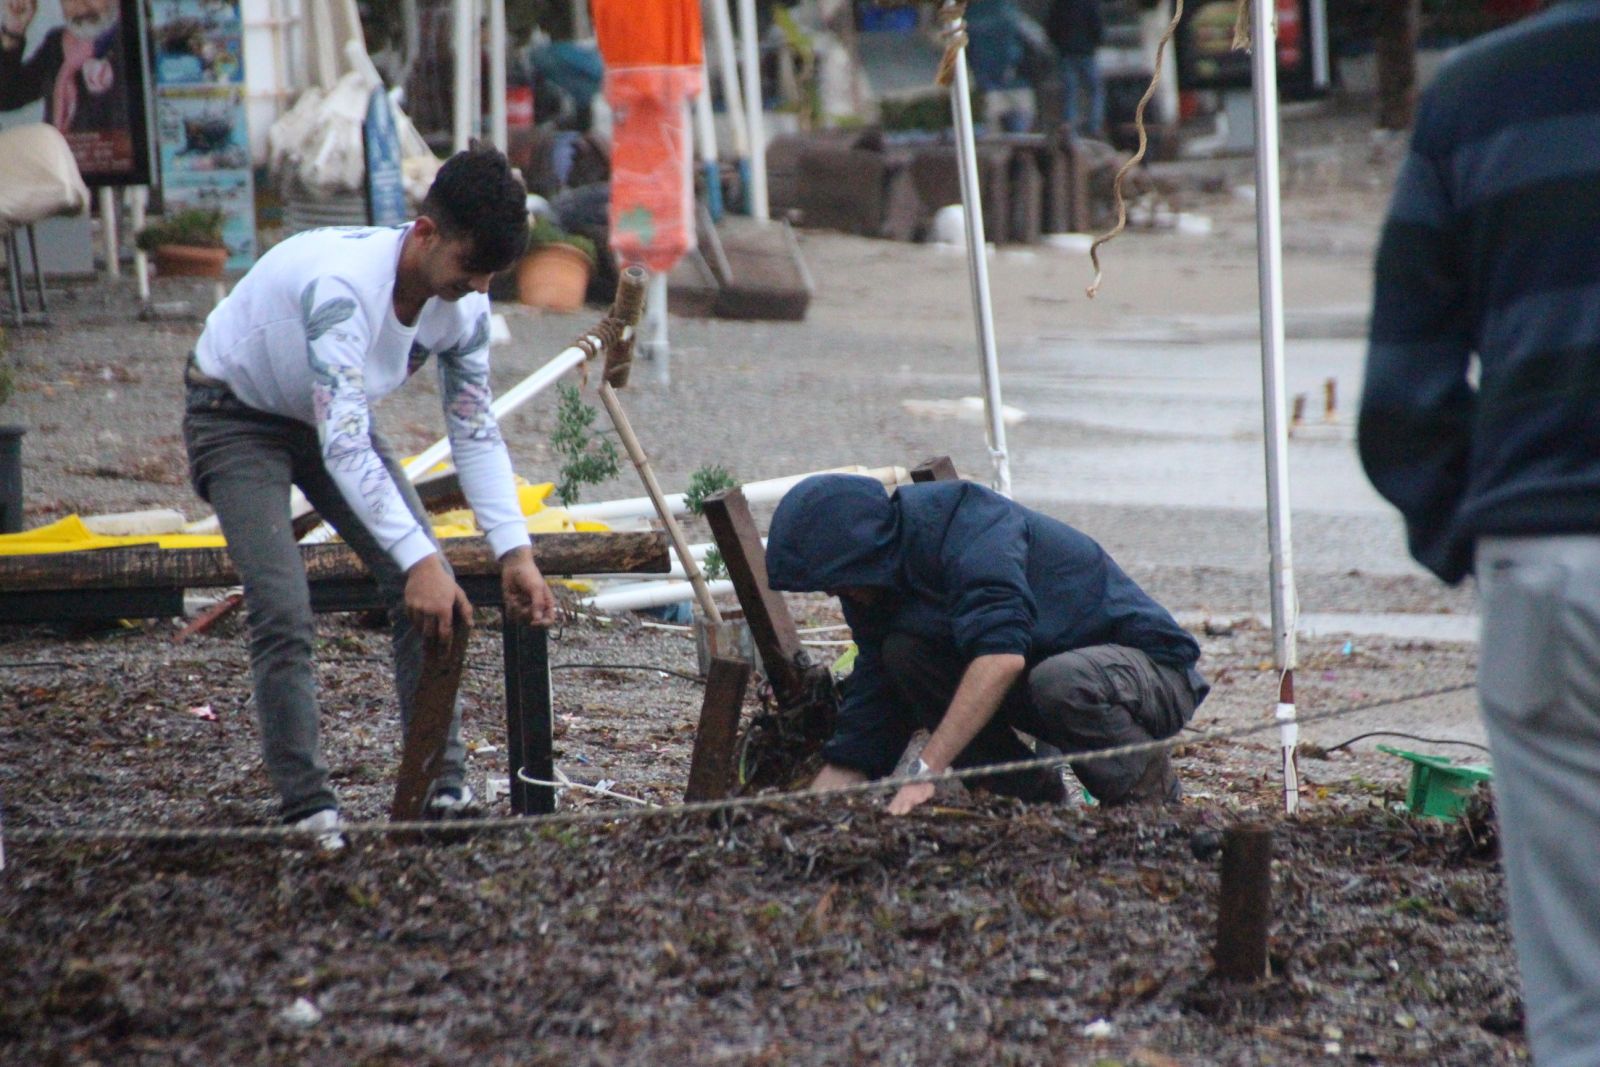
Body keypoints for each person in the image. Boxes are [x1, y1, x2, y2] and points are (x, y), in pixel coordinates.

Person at [182, 145, 557, 849]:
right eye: (467, 269)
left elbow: (474, 429)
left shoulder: (464, 304)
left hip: (329, 418)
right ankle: (307, 807)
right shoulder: (341, 287)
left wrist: (514, 549)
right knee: (283, 603)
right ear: (425, 233)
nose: (476, 290)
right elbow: (347, 444)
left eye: (489, 278)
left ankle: (438, 788)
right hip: (234, 413)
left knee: (432, 585)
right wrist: (419, 560)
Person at [1357, 6, 1600, 1063]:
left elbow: (1402, 398)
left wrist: (1479, 540)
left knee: (1577, 1003)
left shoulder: (1478, 94)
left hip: (1547, 563)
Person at [765, 474, 1207, 815]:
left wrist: (926, 771)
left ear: (863, 553)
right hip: (1044, 686)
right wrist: (812, 806)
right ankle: (1031, 804)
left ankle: (1151, 807)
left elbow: (1000, 659)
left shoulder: (973, 529)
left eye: (835, 581)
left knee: (1061, 680)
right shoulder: (875, 586)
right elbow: (874, 700)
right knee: (902, 654)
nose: (831, 594)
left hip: (1151, 677)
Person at [0, 0, 129, 135]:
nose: (80, 4)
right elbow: (6, 97)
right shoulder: (57, 44)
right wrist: (13, 29)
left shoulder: (136, 43)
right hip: (63, 154)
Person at [1046, 0, 1104, 138]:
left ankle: (1070, 130)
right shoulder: (1089, 3)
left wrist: (1059, 46)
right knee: (1095, 90)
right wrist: (1094, 44)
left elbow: (1050, 28)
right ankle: (1094, 125)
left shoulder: (1059, 5)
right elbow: (1097, 26)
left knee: (1070, 93)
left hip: (1066, 54)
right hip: (1086, 53)